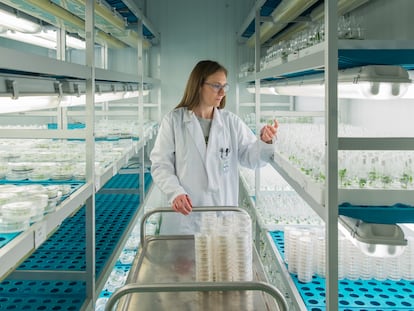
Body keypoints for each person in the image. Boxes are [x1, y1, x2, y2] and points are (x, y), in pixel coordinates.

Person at [150, 60, 278, 233]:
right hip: (186, 218)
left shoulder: (231, 122)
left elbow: (251, 158)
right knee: (183, 259)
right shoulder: (173, 121)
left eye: (225, 86)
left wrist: (264, 141)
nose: (223, 92)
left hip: (222, 218)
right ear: (198, 85)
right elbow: (160, 165)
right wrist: (175, 192)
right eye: (217, 86)